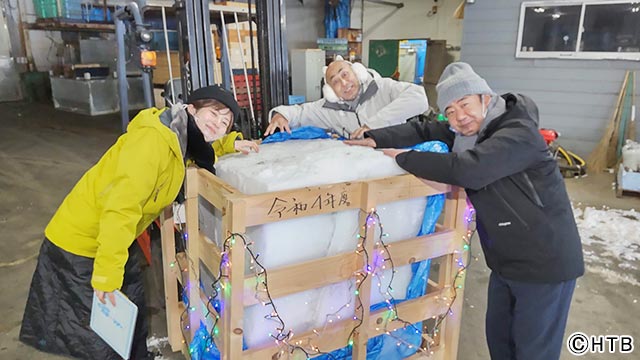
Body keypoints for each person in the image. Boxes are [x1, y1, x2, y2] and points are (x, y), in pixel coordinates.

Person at [346, 62, 584, 360]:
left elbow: (471, 169)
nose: (460, 117)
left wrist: (405, 158)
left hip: (546, 263)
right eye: (451, 111)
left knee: (533, 352)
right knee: (500, 344)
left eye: (465, 104)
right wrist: (376, 137)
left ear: (485, 97)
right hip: (507, 262)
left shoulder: (518, 133)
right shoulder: (471, 132)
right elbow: (425, 128)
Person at [19, 85, 256, 360]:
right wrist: (107, 276)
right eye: (214, 114)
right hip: (83, 246)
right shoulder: (152, 142)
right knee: (101, 336)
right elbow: (120, 209)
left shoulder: (179, 137)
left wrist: (231, 144)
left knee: (132, 311)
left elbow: (202, 147)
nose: (218, 124)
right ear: (192, 109)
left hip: (119, 239)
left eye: (225, 123)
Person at [264, 56, 429, 139]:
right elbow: (300, 112)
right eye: (335, 81)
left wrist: (373, 125)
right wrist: (280, 115)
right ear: (330, 90)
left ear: (357, 72)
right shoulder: (328, 108)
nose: (344, 82)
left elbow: (418, 97)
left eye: (345, 74)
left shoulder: (383, 87)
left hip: (393, 162)